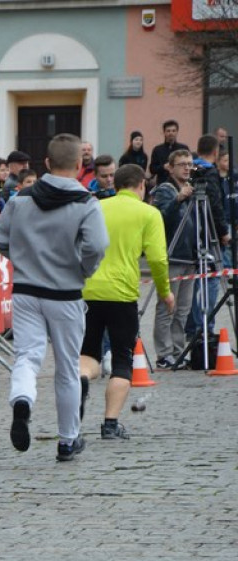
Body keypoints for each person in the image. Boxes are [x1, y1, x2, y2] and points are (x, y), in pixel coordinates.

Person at [0, 133, 109, 462]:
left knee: (27, 357)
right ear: (79, 164)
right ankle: (68, 440)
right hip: (66, 293)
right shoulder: (87, 202)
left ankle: (22, 402)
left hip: (27, 291)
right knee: (68, 369)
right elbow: (97, 246)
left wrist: (26, 259)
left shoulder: (20, 199)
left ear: (45, 163)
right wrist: (82, 269)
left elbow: (0, 240)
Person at [79, 164, 173, 441]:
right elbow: (157, 258)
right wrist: (165, 290)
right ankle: (110, 424)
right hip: (122, 294)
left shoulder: (96, 208)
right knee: (122, 357)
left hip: (88, 290)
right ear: (141, 186)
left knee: (88, 353)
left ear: (116, 184)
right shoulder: (149, 213)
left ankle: (82, 380)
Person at [150, 149, 203, 369]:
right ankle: (164, 354)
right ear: (171, 167)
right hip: (171, 255)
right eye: (182, 164)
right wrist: (178, 199)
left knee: (183, 310)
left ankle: (178, 351)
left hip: (189, 256)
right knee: (166, 308)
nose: (187, 168)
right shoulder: (165, 189)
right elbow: (160, 218)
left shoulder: (192, 189)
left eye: (190, 164)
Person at [184, 134, 230, 339]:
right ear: (215, 152)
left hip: (191, 232)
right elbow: (215, 204)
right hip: (207, 234)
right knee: (210, 280)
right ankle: (204, 326)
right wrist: (222, 232)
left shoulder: (190, 169)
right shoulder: (209, 173)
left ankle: (192, 326)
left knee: (193, 281)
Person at [150, 119, 189, 186]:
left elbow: (189, 165)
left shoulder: (184, 148)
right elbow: (152, 169)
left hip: (180, 185)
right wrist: (163, 167)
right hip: (163, 185)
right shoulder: (157, 149)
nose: (171, 133)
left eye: (173, 131)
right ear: (164, 132)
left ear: (177, 132)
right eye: (168, 131)